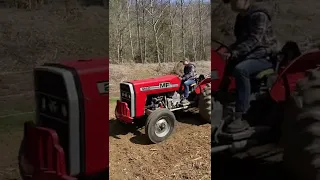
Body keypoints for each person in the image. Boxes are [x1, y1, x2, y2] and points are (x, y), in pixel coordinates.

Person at [222, 0, 279, 133]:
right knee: (224, 66)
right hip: (250, 55)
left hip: (265, 55)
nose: (231, 4)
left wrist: (235, 52)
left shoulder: (259, 15)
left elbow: (255, 40)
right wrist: (228, 51)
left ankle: (242, 114)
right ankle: (224, 102)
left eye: (234, 1)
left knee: (241, 70)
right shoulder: (241, 17)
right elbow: (241, 41)